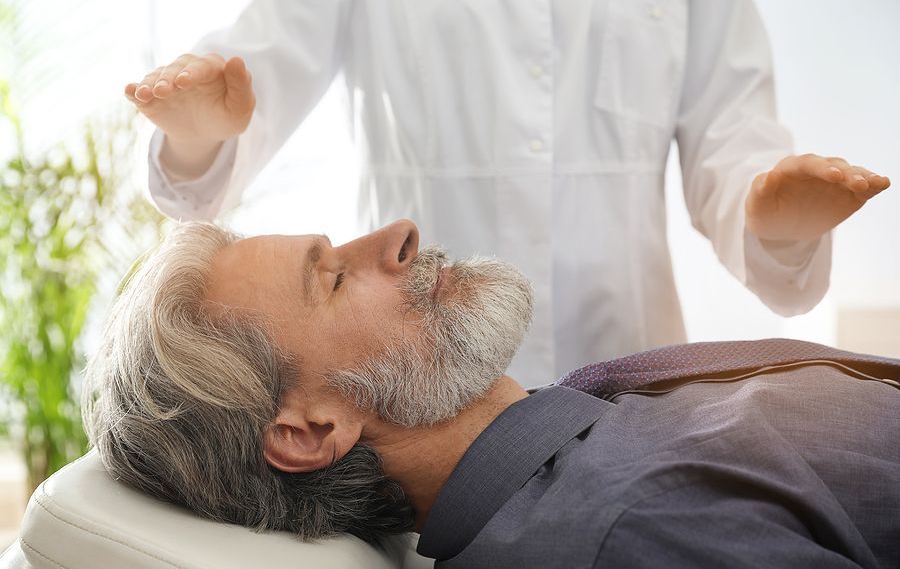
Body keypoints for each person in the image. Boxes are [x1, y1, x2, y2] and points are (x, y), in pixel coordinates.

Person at [123, 0, 891, 385]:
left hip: (629, 373)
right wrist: (200, 136)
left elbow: (733, 136)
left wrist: (772, 214)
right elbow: (255, 75)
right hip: (424, 385)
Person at [83, 220, 900, 568]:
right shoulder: (622, 539)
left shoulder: (592, 436)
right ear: (310, 429)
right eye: (332, 279)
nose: (398, 234)